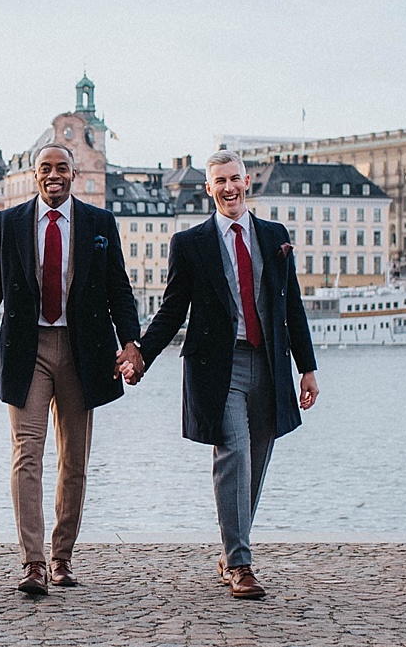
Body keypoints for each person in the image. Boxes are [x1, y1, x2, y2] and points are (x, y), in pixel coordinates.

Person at [121, 149, 318, 600]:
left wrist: (307, 368)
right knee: (234, 453)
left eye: (234, 179)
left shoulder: (274, 236)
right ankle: (242, 565)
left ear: (246, 182)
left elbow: (291, 306)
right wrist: (141, 356)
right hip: (218, 365)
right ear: (208, 189)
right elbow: (172, 310)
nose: (228, 188)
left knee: (258, 460)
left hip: (268, 363)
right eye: (219, 182)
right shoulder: (191, 244)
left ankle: (231, 551)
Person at [0, 143, 141, 596]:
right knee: (26, 455)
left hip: (82, 352)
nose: (53, 175)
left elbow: (119, 289)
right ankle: (33, 562)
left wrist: (132, 344)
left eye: (61, 168)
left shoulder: (99, 223)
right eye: (45, 168)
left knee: (74, 461)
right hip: (27, 351)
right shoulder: (10, 222)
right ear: (34, 176)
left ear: (74, 174)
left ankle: (61, 557)